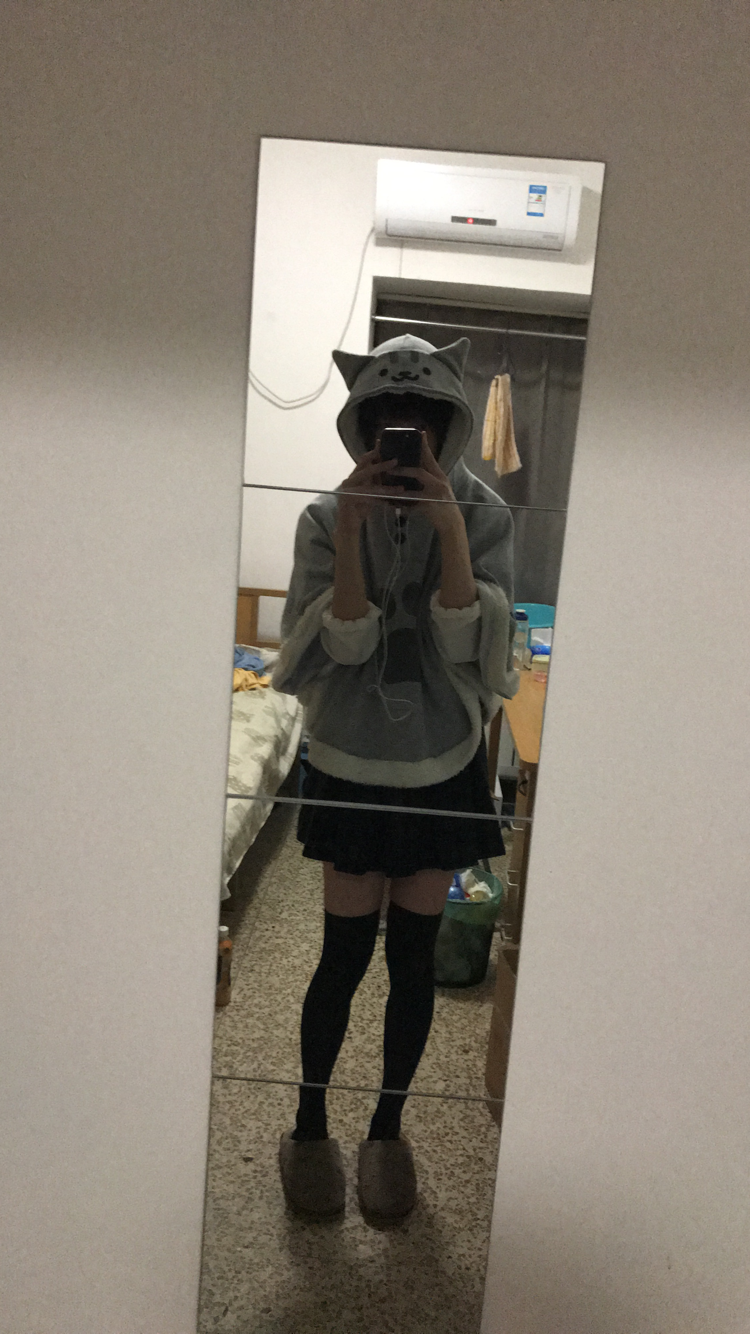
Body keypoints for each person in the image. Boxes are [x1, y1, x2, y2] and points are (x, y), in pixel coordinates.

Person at [272, 334, 518, 1222]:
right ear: (363, 428)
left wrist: (449, 523)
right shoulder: (321, 516)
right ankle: (308, 1128)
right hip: (351, 760)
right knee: (341, 958)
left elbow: (467, 641)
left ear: (448, 427)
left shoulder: (486, 515)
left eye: (423, 423)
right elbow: (340, 646)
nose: (406, 440)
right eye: (388, 424)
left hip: (442, 762)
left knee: (413, 963)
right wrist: (349, 528)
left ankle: (387, 1130)